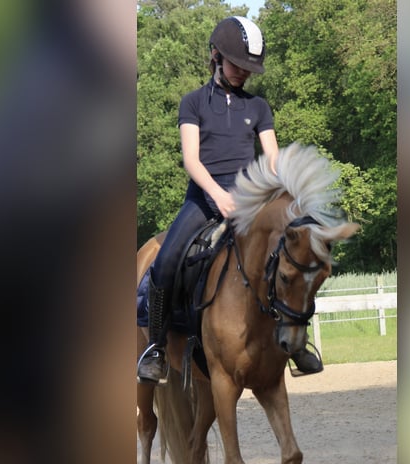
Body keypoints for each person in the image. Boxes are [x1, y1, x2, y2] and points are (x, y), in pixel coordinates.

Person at [138, 16, 323, 383]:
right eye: (238, 65)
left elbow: (272, 159)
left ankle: (295, 343)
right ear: (215, 57)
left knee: (294, 254)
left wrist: (288, 195)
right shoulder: (193, 103)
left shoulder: (258, 108)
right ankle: (156, 349)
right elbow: (191, 159)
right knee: (166, 262)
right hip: (204, 198)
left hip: (251, 197)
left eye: (249, 68)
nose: (243, 73)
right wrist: (217, 194)